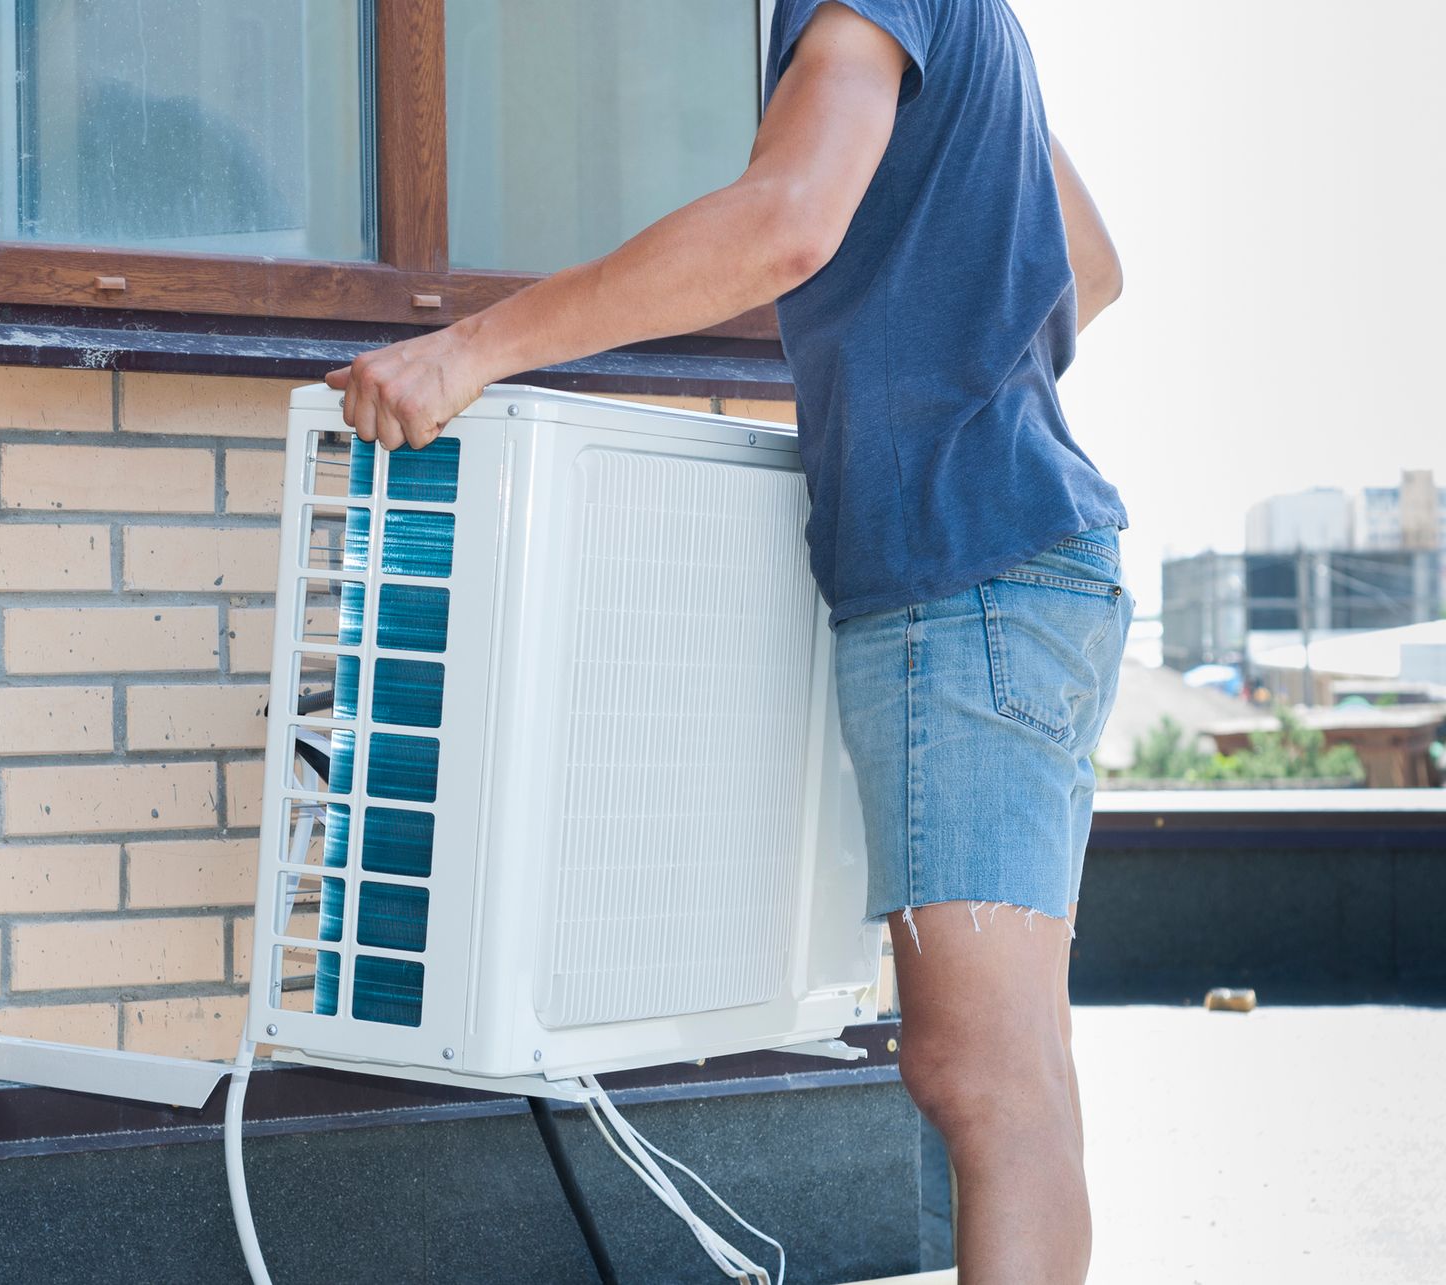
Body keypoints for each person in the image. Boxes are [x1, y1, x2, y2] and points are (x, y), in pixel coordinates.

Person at [327, 1, 1130, 1280]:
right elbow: (1086, 262)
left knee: (981, 1075)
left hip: (973, 576)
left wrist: (474, 347)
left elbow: (785, 221)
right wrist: (941, 350)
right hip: (1015, 569)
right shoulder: (975, 29)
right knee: (1007, 1067)